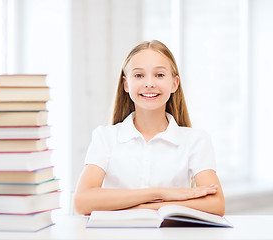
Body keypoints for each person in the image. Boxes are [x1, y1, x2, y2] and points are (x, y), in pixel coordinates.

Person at [74, 40, 225, 216]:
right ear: (126, 85)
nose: (149, 83)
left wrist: (138, 208)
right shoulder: (105, 137)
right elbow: (82, 201)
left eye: (159, 75)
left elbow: (216, 204)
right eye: (138, 75)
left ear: (174, 84)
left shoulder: (196, 140)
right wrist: (159, 193)